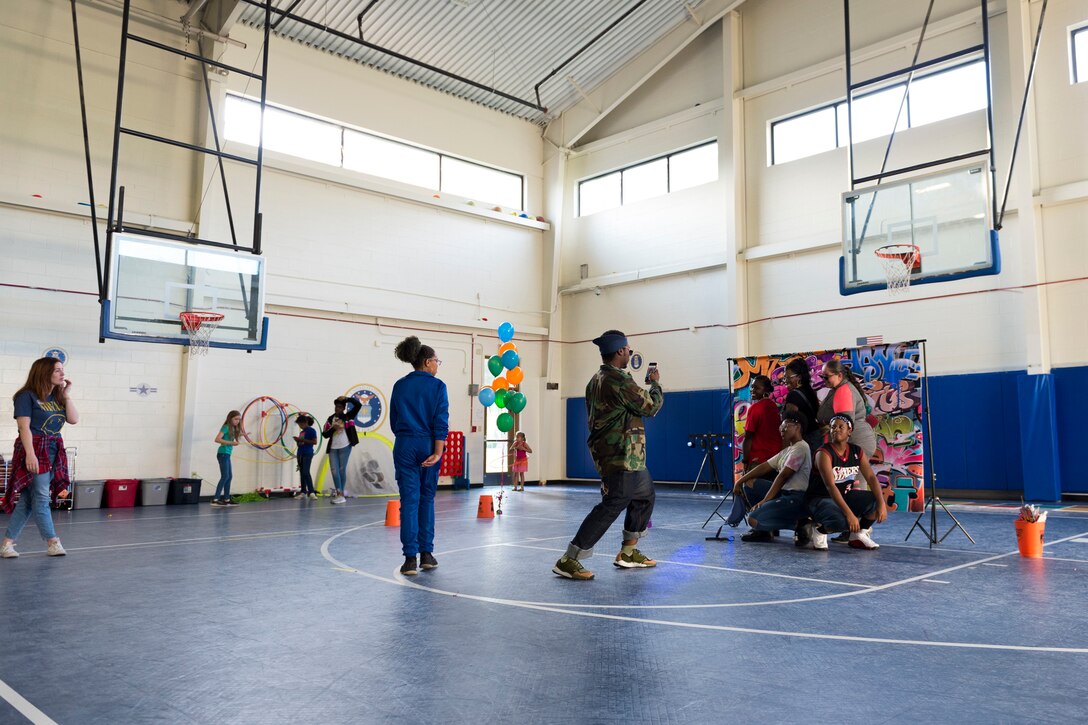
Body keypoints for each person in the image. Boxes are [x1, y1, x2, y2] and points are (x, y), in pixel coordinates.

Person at [553, 330, 663, 581]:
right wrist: (655, 384)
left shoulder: (597, 379)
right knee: (614, 503)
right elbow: (650, 406)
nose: (629, 352)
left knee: (645, 495)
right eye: (628, 349)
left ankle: (628, 552)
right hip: (620, 453)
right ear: (620, 352)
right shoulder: (618, 380)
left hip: (628, 455)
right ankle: (570, 559)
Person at [2, 357, 78, 558]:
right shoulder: (26, 396)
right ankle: (53, 542)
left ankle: (7, 544)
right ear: (45, 372)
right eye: (57, 370)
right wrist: (30, 454)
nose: (62, 374)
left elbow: (73, 419)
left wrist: (66, 395)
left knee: (28, 499)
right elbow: (23, 427)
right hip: (34, 448)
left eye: (62, 370)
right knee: (42, 497)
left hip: (53, 449)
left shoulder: (57, 396)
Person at [390, 336, 449, 576]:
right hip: (427, 444)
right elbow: (440, 421)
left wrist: (407, 436)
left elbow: (394, 422)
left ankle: (409, 560)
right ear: (427, 362)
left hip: (404, 444)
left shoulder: (399, 385)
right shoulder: (437, 386)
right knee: (426, 499)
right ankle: (427, 554)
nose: (437, 365)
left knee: (409, 502)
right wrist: (437, 451)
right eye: (436, 361)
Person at [800, 414, 887, 551]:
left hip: (843, 496)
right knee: (843, 521)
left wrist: (881, 503)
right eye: (833, 427)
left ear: (849, 431)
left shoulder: (856, 451)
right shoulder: (824, 453)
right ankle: (820, 531)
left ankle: (858, 535)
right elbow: (830, 486)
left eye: (841, 427)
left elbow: (870, 477)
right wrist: (850, 515)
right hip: (819, 498)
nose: (836, 430)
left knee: (875, 501)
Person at [727, 410, 811, 541]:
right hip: (784, 493)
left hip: (795, 497)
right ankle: (765, 531)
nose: (782, 429)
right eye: (781, 426)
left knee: (753, 519)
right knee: (749, 483)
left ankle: (799, 524)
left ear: (797, 426)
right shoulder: (788, 450)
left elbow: (783, 476)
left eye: (786, 425)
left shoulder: (801, 448)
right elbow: (764, 467)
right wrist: (740, 481)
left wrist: (764, 501)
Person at [817, 359, 877, 459]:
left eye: (826, 377)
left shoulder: (843, 391)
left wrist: (838, 454)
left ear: (839, 375)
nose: (824, 380)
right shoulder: (837, 389)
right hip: (854, 442)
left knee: (854, 475)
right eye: (822, 377)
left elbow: (843, 426)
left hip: (855, 443)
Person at [322, 396, 362, 505]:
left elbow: (358, 405)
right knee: (334, 470)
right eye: (336, 407)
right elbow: (324, 434)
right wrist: (333, 429)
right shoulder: (330, 419)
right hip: (333, 447)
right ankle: (339, 493)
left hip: (345, 445)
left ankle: (341, 495)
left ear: (344, 408)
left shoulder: (348, 416)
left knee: (341, 469)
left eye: (340, 407)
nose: (337, 409)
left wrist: (348, 399)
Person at [782, 358, 824, 454]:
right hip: (816, 438)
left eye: (788, 377)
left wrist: (784, 453)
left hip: (804, 442)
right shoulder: (810, 391)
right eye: (784, 378)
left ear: (799, 377)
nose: (785, 381)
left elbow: (789, 426)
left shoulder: (793, 395)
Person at [742, 375, 781, 471]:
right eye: (752, 386)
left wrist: (745, 461)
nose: (752, 390)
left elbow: (748, 438)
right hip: (776, 458)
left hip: (759, 460)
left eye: (756, 388)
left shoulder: (755, 408)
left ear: (765, 390)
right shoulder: (774, 406)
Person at [212, 411, 241, 507]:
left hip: (227, 454)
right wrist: (231, 443)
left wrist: (242, 435)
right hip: (223, 453)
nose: (237, 421)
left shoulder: (232, 428)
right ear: (230, 418)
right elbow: (217, 439)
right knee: (225, 476)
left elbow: (230, 436)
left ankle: (227, 499)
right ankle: (215, 499)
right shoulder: (226, 427)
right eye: (235, 419)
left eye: (238, 419)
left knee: (229, 476)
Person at [293, 415, 318, 500]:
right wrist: (298, 441)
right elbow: (300, 444)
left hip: (308, 453)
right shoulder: (302, 432)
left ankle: (311, 492)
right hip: (300, 453)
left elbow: (314, 442)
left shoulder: (312, 430)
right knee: (302, 473)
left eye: (301, 424)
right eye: (299, 424)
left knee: (306, 472)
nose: (300, 426)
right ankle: (303, 491)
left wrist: (301, 440)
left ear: (306, 422)